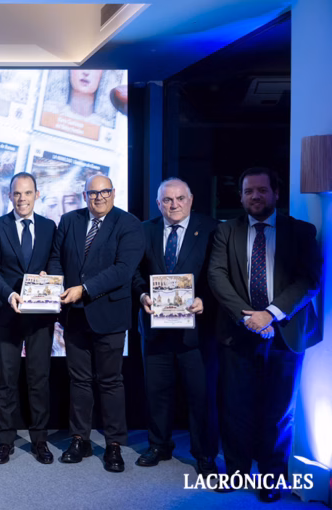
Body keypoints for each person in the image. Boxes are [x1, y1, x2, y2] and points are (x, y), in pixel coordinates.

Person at [208, 168, 321, 503]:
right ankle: (237, 471)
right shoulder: (225, 232)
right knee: (234, 407)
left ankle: (272, 477)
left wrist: (269, 314)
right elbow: (217, 276)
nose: (254, 197)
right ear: (241, 196)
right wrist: (250, 318)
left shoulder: (301, 232)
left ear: (275, 193)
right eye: (248, 192)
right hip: (237, 332)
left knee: (279, 411)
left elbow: (309, 281)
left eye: (261, 190)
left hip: (285, 334)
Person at [47, 174, 144, 473]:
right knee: (79, 380)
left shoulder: (129, 224)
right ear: (84, 195)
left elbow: (123, 270)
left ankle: (114, 444)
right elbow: (55, 260)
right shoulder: (69, 220)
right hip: (74, 314)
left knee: (111, 381)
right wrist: (52, 284)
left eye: (104, 192)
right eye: (93, 193)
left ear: (114, 193)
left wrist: (84, 289)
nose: (99, 197)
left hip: (110, 316)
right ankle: (80, 439)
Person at [131, 178, 219, 476]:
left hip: (196, 330)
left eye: (180, 198)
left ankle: (205, 454)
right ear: (159, 203)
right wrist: (143, 294)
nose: (174, 204)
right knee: (157, 391)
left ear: (191, 199)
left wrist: (205, 300)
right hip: (155, 328)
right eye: (167, 200)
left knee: (201, 395)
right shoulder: (145, 230)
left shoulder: (211, 228)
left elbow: (219, 274)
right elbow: (135, 273)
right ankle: (159, 445)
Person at [0, 172, 58, 465]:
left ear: (37, 194)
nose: (22, 199)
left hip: (40, 315)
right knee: (6, 380)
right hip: (6, 311)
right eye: (16, 194)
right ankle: (5, 440)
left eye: (27, 193)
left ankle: (40, 440)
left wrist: (48, 276)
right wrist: (8, 294)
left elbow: (55, 260)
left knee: (39, 378)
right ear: (9, 196)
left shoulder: (50, 227)